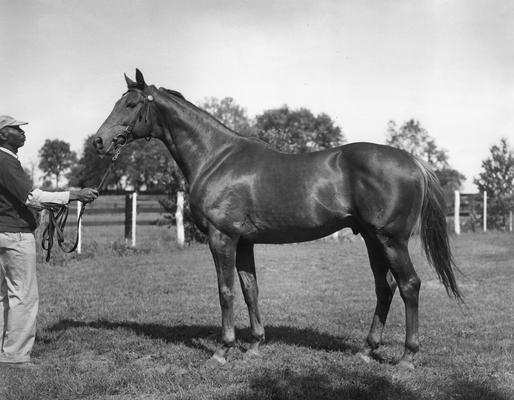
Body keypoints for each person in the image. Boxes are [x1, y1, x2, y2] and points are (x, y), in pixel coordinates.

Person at [0, 115, 99, 369]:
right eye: (16, 129)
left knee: (5, 295)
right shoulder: (5, 160)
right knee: (23, 295)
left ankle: (5, 351)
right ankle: (15, 357)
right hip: (15, 235)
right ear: (2, 135)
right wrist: (74, 194)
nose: (22, 132)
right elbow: (32, 197)